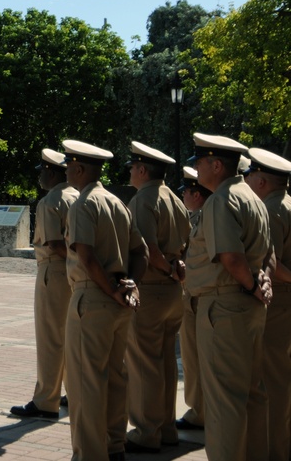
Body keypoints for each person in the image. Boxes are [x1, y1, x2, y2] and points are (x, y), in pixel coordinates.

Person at [186, 133, 273, 461]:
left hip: (223, 305)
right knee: (251, 395)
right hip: (246, 306)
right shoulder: (251, 197)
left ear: (216, 164)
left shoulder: (222, 200)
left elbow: (231, 258)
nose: (195, 168)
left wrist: (251, 284)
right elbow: (268, 254)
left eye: (199, 161)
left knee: (223, 402)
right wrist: (258, 282)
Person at [62, 139, 148, 461]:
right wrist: (130, 284)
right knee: (114, 377)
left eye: (69, 165)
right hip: (119, 304)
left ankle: (89, 454)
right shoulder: (118, 203)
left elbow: (85, 254)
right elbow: (142, 252)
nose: (66, 170)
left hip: (93, 297)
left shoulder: (84, 204)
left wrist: (112, 287)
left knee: (85, 384)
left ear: (79, 168)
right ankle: (114, 447)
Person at [123, 141, 190, 453]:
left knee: (144, 363)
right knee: (164, 361)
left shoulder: (143, 199)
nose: (131, 174)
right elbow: (186, 242)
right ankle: (166, 429)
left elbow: (148, 248)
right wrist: (176, 269)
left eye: (132, 168)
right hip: (174, 291)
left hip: (151, 287)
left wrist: (166, 269)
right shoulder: (175, 199)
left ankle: (146, 432)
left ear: (141, 169)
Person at [11, 148, 77, 420]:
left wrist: (72, 261)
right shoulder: (78, 196)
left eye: (42, 170)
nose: (39, 175)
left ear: (51, 172)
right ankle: (72, 394)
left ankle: (45, 400)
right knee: (71, 337)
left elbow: (56, 244)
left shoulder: (51, 201)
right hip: (76, 274)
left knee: (51, 337)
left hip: (55, 271)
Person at [243, 147, 291, 461]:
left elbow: (272, 264)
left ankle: (276, 450)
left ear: (261, 182)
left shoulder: (272, 210)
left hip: (279, 303)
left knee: (273, 382)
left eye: (249, 176)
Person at [176, 166, 208, 432]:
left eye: (186, 191)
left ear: (196, 195)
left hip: (201, 298)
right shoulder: (200, 216)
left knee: (196, 359)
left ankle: (200, 412)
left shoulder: (206, 217)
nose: (183, 196)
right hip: (199, 296)